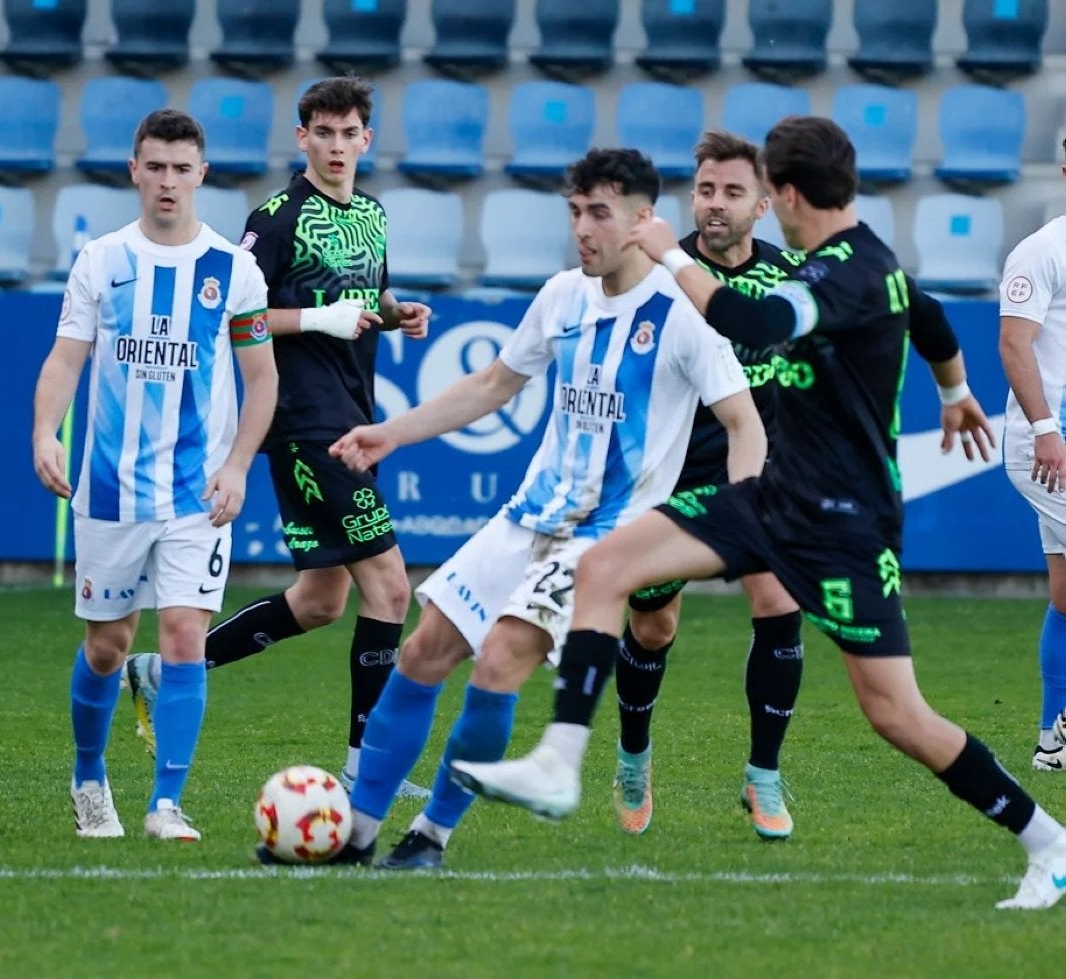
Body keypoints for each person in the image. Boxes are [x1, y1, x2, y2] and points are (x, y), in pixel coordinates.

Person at [451, 117, 1066, 912]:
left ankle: (1046, 841)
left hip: (843, 526)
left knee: (898, 714)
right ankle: (561, 759)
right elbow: (933, 314)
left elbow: (752, 322)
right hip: (770, 498)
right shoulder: (862, 260)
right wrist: (954, 393)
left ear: (787, 194)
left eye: (765, 187)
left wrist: (665, 249)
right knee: (607, 564)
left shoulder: (842, 272)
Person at [313, 148, 766, 868]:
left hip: (606, 539)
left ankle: (430, 835)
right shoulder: (562, 295)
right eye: (575, 212)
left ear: (644, 221)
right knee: (423, 651)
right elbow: (493, 383)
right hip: (527, 516)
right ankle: (357, 834)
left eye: (599, 214)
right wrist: (390, 433)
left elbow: (745, 424)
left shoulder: (684, 313)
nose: (582, 229)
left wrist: (739, 522)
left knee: (498, 661)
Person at [611, 130, 993, 840]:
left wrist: (956, 388)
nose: (714, 205)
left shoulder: (802, 278)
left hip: (772, 479)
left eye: (731, 192)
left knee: (777, 603)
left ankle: (763, 775)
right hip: (672, 477)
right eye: (703, 190)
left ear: (766, 203)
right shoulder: (647, 278)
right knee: (652, 623)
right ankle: (634, 754)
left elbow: (922, 311)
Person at [123, 76, 433, 798]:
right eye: (319, 132)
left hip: (355, 410)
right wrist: (313, 322)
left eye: (346, 131)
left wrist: (396, 314)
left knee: (323, 599)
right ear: (302, 139)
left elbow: (369, 294)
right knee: (390, 586)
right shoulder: (278, 217)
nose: (333, 145)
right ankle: (369, 769)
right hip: (301, 422)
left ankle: (161, 668)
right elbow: (233, 313)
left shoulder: (372, 214)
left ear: (365, 138)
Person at [32, 109, 277, 841]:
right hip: (109, 488)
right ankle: (88, 775)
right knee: (108, 644)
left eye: (181, 168)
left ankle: (166, 802)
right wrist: (45, 430)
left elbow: (262, 380)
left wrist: (237, 465)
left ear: (201, 174)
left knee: (182, 636)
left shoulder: (234, 269)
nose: (168, 181)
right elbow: (65, 358)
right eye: (155, 166)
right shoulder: (101, 260)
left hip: (199, 492)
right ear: (134, 170)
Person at [998, 142, 1066, 771]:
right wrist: (1046, 428)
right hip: (1052, 446)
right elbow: (1014, 345)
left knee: (1065, 594)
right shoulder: (1042, 250)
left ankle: (1053, 742)